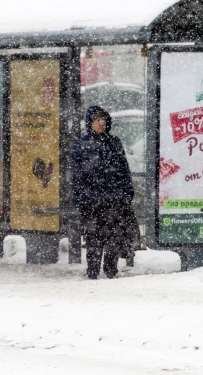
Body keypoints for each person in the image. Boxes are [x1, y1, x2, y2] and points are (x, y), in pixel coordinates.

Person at [71, 106, 134, 279]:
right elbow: (76, 175)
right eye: (97, 120)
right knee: (94, 237)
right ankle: (92, 270)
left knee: (113, 236)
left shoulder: (114, 142)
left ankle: (110, 270)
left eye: (104, 120)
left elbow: (124, 170)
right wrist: (81, 197)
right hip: (92, 201)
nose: (102, 123)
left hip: (114, 199)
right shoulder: (81, 144)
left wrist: (127, 193)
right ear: (90, 123)